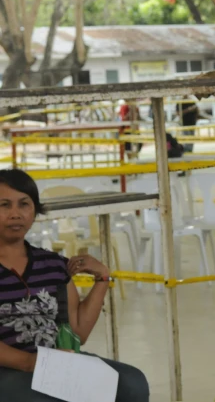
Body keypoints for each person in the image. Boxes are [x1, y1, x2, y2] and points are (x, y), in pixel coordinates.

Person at [0, 169, 150, 402]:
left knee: (131, 383)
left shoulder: (52, 265)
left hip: (56, 364)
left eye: (24, 204)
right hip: (8, 369)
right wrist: (31, 362)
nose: (15, 214)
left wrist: (102, 279)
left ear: (35, 210)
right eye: (4, 205)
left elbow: (78, 331)